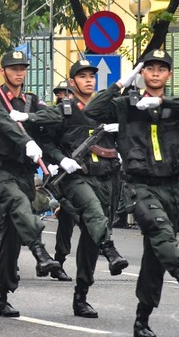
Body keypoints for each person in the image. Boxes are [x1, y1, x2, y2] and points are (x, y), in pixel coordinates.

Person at [85, 49, 179, 337]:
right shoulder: (126, 106)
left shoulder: (178, 107)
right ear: (141, 73)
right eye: (150, 68)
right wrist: (120, 84)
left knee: (156, 255)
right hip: (139, 185)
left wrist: (163, 102)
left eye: (161, 68)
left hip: (171, 187)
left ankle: (142, 318)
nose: (155, 73)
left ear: (169, 74)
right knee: (159, 230)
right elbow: (92, 112)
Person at [18, 59, 129, 318]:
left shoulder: (108, 108)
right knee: (92, 210)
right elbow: (43, 139)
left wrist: (122, 130)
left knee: (92, 233)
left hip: (107, 175)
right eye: (82, 76)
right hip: (76, 176)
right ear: (72, 82)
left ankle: (81, 296)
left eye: (91, 76)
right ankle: (110, 249)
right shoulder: (64, 110)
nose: (88, 80)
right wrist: (60, 159)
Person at [0, 50, 60, 318]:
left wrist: (30, 119)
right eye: (13, 68)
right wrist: (25, 140)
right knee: (16, 202)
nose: (19, 72)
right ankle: (40, 252)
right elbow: (4, 123)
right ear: (3, 71)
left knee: (12, 238)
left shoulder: (32, 102)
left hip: (24, 173)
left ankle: (2, 295)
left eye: (22, 68)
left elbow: (55, 117)